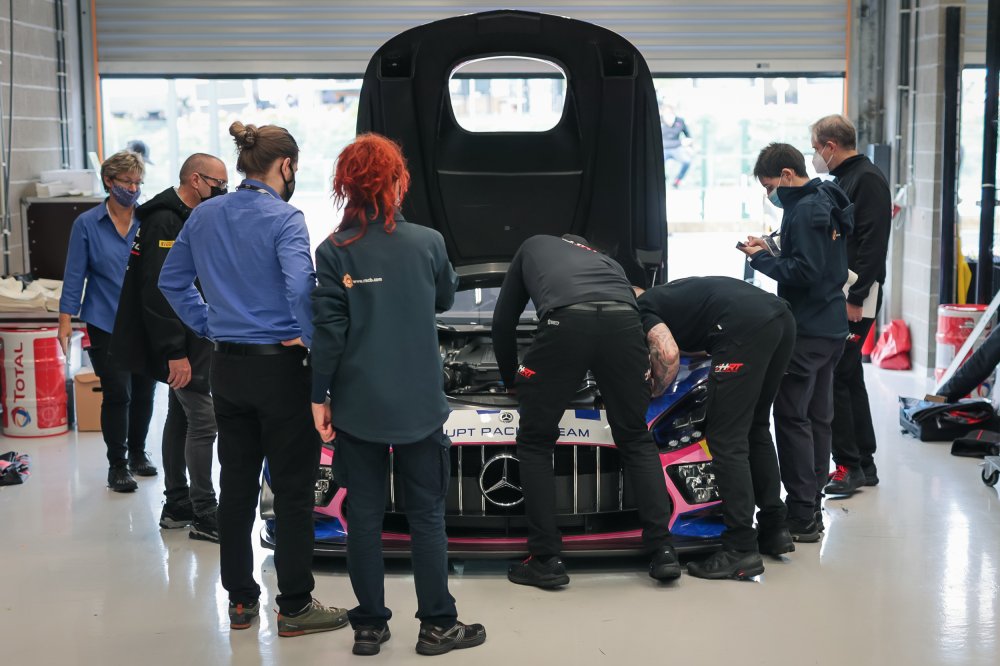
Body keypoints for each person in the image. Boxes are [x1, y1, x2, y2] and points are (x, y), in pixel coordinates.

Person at [159, 122, 348, 636]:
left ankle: (241, 601)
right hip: (281, 370)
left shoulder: (204, 214)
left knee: (237, 484)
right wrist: (309, 340)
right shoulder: (285, 218)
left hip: (227, 367)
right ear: (285, 165)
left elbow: (171, 281)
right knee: (291, 489)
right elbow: (300, 289)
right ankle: (295, 606)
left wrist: (209, 324)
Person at [310, 133, 486, 657]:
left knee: (363, 518)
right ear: (397, 182)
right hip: (419, 406)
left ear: (345, 186)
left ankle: (368, 627)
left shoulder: (333, 251)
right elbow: (445, 296)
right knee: (426, 516)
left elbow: (329, 333)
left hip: (358, 406)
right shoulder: (428, 242)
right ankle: (437, 626)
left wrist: (318, 396)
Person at [493, 234, 680, 588]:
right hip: (624, 322)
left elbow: (503, 322)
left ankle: (545, 559)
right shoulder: (608, 263)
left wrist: (510, 379)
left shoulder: (532, 245)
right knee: (635, 436)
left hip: (566, 321)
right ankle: (663, 550)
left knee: (535, 441)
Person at [637, 277, 796, 580]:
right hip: (780, 317)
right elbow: (699, 346)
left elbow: (667, 354)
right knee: (756, 426)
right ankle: (775, 528)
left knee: (726, 439)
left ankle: (740, 549)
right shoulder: (671, 297)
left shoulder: (641, 307)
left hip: (743, 324)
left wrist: (651, 392)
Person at [110, 153, 229, 541]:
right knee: (204, 421)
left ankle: (177, 505)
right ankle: (204, 511)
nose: (223, 190)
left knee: (181, 417)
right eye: (217, 184)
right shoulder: (165, 220)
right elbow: (159, 292)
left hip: (193, 337)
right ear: (195, 180)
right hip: (179, 343)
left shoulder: (190, 216)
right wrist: (174, 352)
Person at [739, 142, 853, 542]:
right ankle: (811, 506)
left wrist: (760, 259)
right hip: (831, 326)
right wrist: (774, 246)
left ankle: (802, 512)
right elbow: (816, 258)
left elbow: (805, 271)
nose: (771, 194)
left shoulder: (804, 210)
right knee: (818, 418)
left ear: (787, 175)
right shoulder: (826, 197)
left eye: (771, 186)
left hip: (806, 330)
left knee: (791, 419)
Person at [58, 150, 158, 493]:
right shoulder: (87, 224)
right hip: (104, 320)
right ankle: (117, 465)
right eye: (126, 182)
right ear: (108, 181)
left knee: (144, 391)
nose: (132, 188)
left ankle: (138, 453)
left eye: (137, 182)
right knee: (117, 393)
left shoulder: (148, 220)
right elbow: (75, 274)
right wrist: (65, 319)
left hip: (145, 322)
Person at [810, 114, 892, 494]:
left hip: (857, 295)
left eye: (816, 148)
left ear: (830, 146)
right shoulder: (844, 179)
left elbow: (874, 243)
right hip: (844, 291)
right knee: (849, 374)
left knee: (837, 376)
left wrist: (856, 298)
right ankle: (864, 463)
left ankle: (848, 466)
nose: (815, 155)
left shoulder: (867, 179)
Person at [661, 104, 693, 188]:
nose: (669, 115)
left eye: (670, 113)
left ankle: (677, 181)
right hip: (663, 149)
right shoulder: (659, 121)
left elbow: (688, 136)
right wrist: (681, 143)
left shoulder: (680, 121)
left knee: (687, 161)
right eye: (666, 113)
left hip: (677, 149)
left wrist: (690, 147)